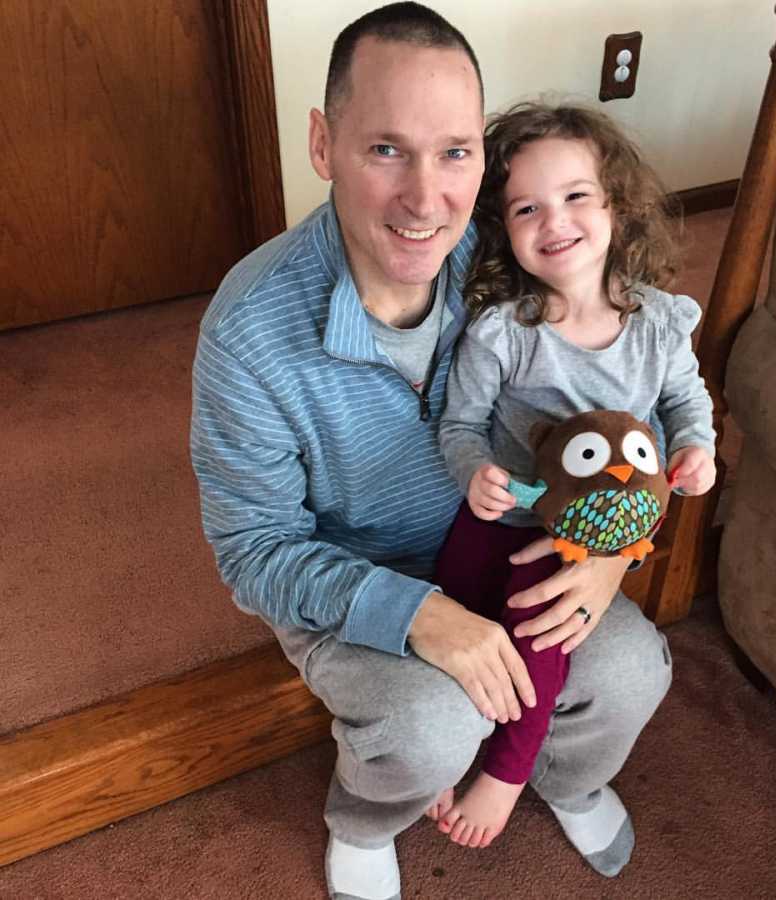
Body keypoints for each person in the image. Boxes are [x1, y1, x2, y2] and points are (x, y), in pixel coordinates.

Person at [190, 5, 673, 898]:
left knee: (633, 666)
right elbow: (252, 553)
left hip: (512, 544)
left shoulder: (517, 257)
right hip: (352, 572)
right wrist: (418, 614)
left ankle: (565, 775)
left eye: (454, 152)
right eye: (385, 150)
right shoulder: (247, 331)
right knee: (428, 725)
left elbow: (628, 403)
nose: (425, 199)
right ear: (322, 144)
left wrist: (615, 552)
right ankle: (365, 818)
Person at [434, 101, 716, 849]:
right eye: (526, 207)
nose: (553, 220)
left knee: (540, 644)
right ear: (503, 227)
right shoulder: (505, 332)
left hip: (577, 542)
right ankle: (441, 750)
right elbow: (460, 425)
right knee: (452, 623)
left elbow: (687, 400)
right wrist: (476, 474)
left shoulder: (658, 323)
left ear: (618, 207)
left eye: (575, 197)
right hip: (500, 518)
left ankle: (511, 774)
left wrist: (698, 447)